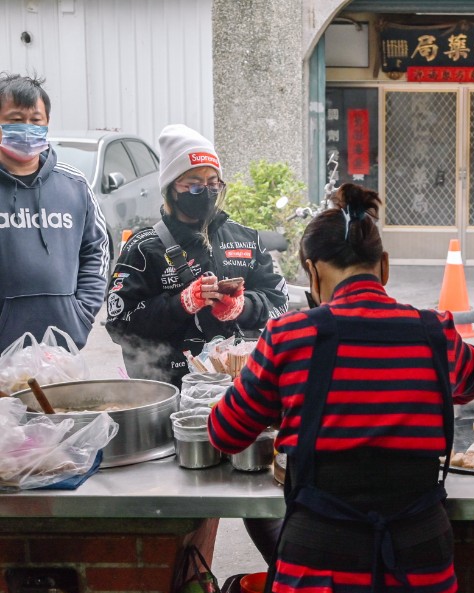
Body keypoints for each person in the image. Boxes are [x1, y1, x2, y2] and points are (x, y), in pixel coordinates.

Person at [208, 183, 474, 593]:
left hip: (318, 576)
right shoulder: (437, 333)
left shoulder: (290, 337)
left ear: (312, 272)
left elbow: (225, 433)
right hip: (420, 570)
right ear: (385, 266)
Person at [104, 124, 288, 387]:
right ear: (171, 188)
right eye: (193, 185)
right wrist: (182, 303)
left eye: (213, 183)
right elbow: (119, 323)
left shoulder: (246, 239)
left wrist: (241, 307)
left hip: (240, 387)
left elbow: (278, 302)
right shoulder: (144, 247)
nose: (205, 191)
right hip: (169, 388)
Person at [0, 73, 109, 351]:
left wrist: (81, 316)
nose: (26, 128)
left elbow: (97, 250)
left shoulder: (74, 185)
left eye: (35, 121)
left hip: (63, 348)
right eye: (14, 120)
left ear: (47, 124)